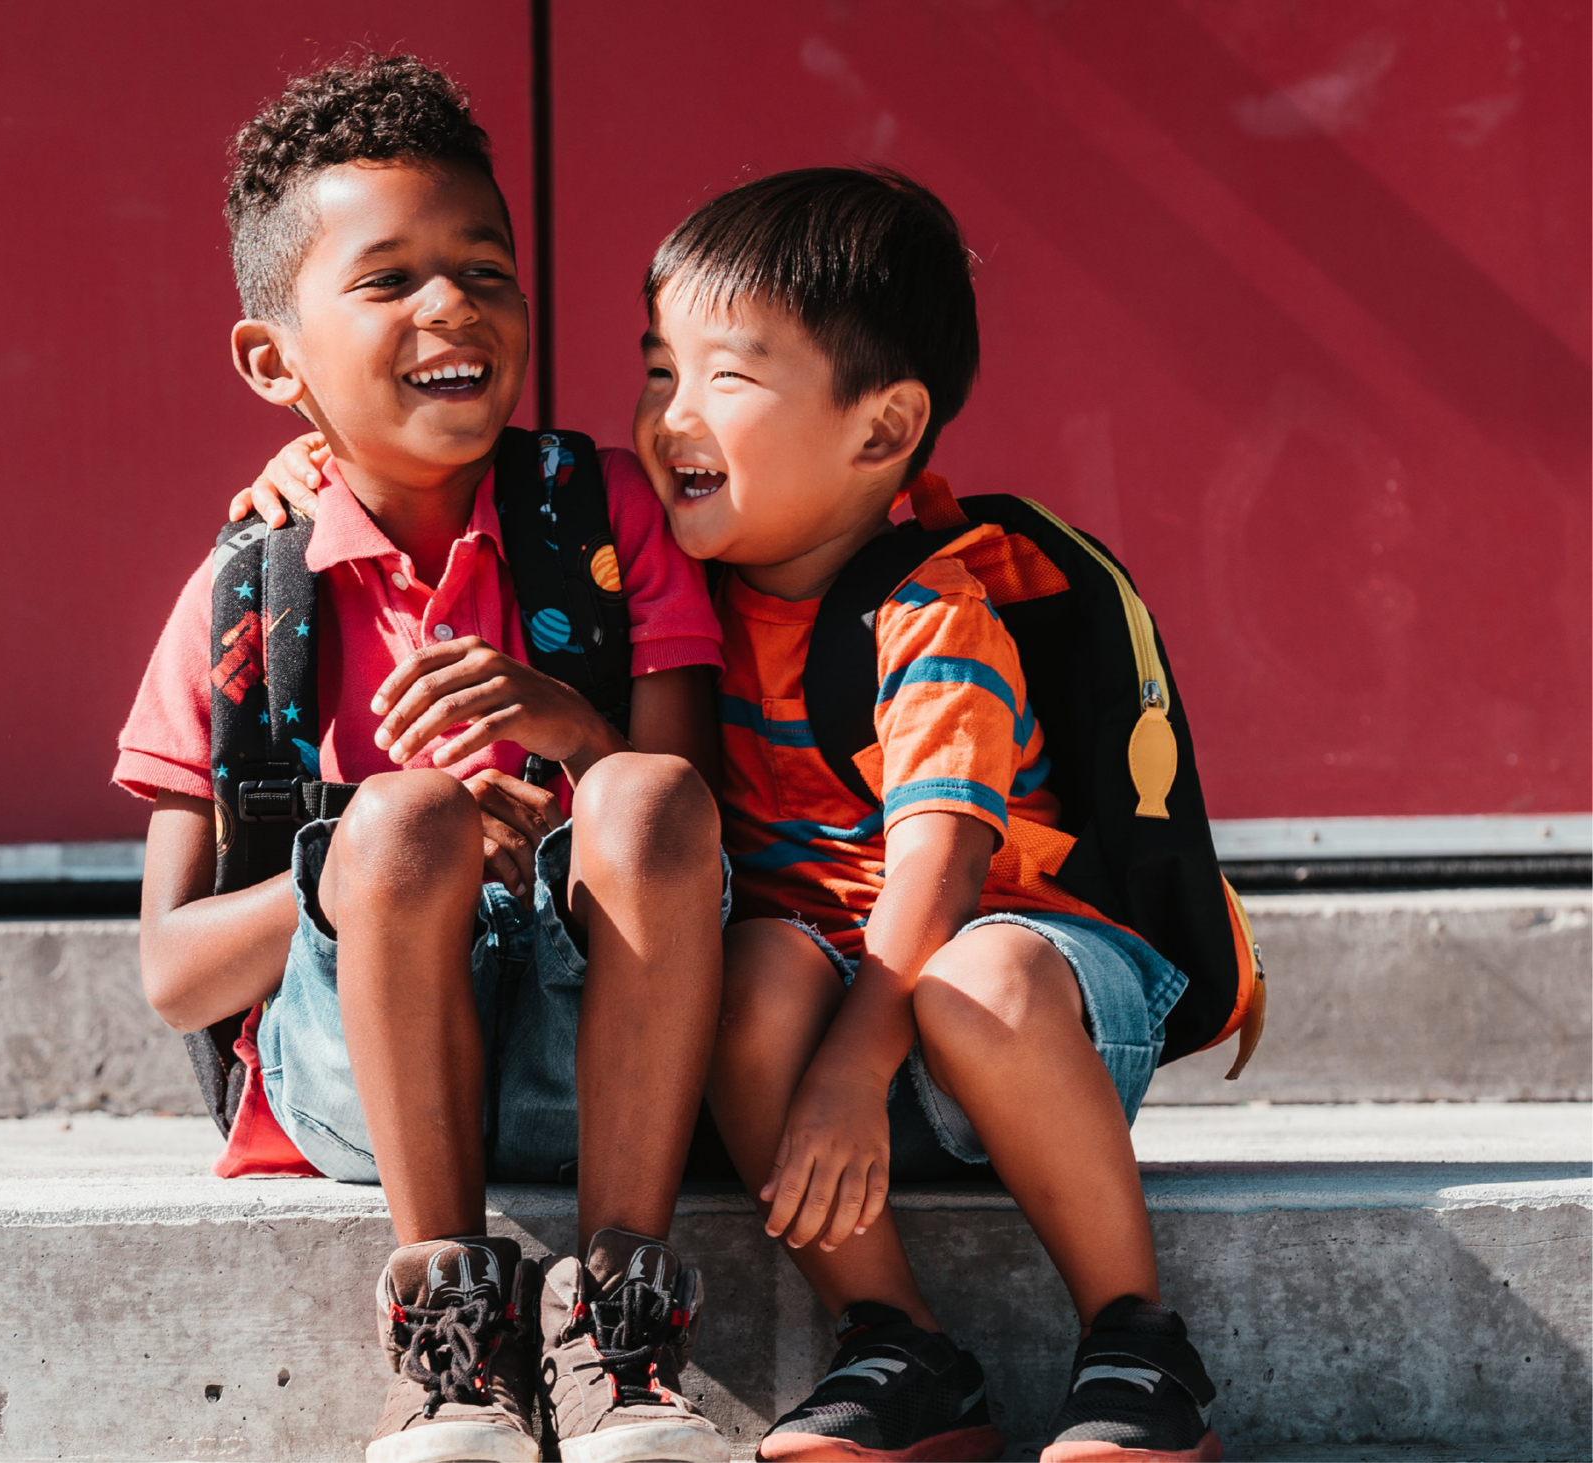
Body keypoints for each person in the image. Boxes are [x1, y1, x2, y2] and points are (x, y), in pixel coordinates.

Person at [116, 54, 736, 1463]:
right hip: (360, 1071)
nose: (452, 307)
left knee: (639, 789)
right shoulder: (245, 597)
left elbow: (698, 832)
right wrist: (374, 862)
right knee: (398, 823)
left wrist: (571, 736)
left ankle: (623, 1317)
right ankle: (450, 1331)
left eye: (484, 268)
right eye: (389, 280)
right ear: (275, 361)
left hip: (606, 1051)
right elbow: (170, 972)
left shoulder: (603, 517)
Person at [639, 168, 1223, 1463]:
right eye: (656, 370)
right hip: (828, 1028)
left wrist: (854, 1062)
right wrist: (308, 458)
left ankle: (1136, 1338)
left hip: (1023, 1004)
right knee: (743, 973)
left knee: (978, 970)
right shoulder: (672, 595)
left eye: (724, 377)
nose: (671, 416)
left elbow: (943, 857)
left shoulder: (928, 607)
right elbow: (504, 496)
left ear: (881, 427)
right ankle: (899, 1342)